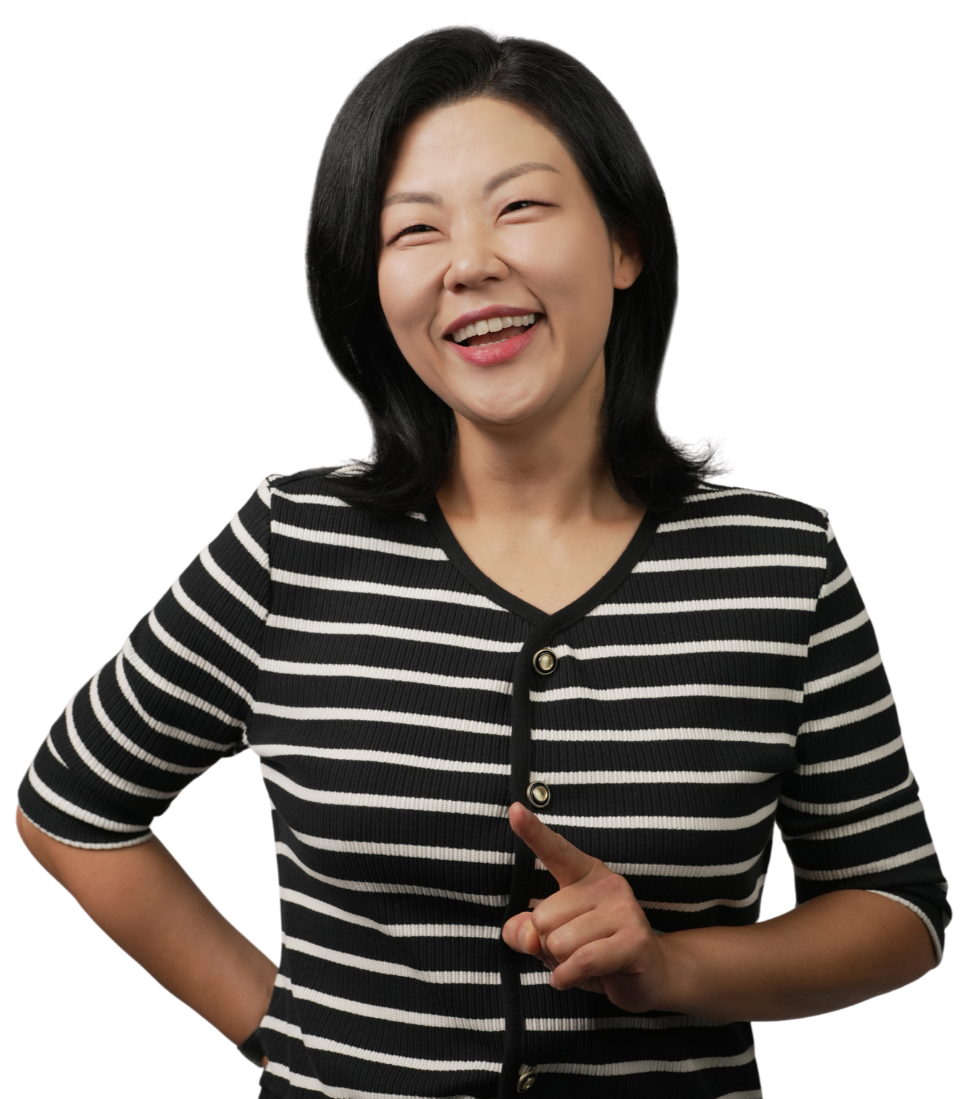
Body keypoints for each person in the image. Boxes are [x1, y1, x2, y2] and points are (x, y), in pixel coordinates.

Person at [15, 26, 950, 1098]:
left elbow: (899, 906)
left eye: (520, 207)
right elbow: (71, 807)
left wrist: (672, 966)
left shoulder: (782, 560)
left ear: (624, 243)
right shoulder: (288, 539)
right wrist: (284, 1035)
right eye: (413, 229)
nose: (469, 264)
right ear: (371, 286)